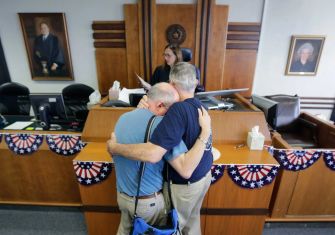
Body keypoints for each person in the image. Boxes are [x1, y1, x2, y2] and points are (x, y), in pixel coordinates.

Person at [108, 62, 213, 235]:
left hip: (183, 183)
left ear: (172, 83)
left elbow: (156, 155)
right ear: (195, 83)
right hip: (202, 177)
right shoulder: (200, 105)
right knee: (192, 225)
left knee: (175, 228)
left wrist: (115, 148)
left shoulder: (175, 110)